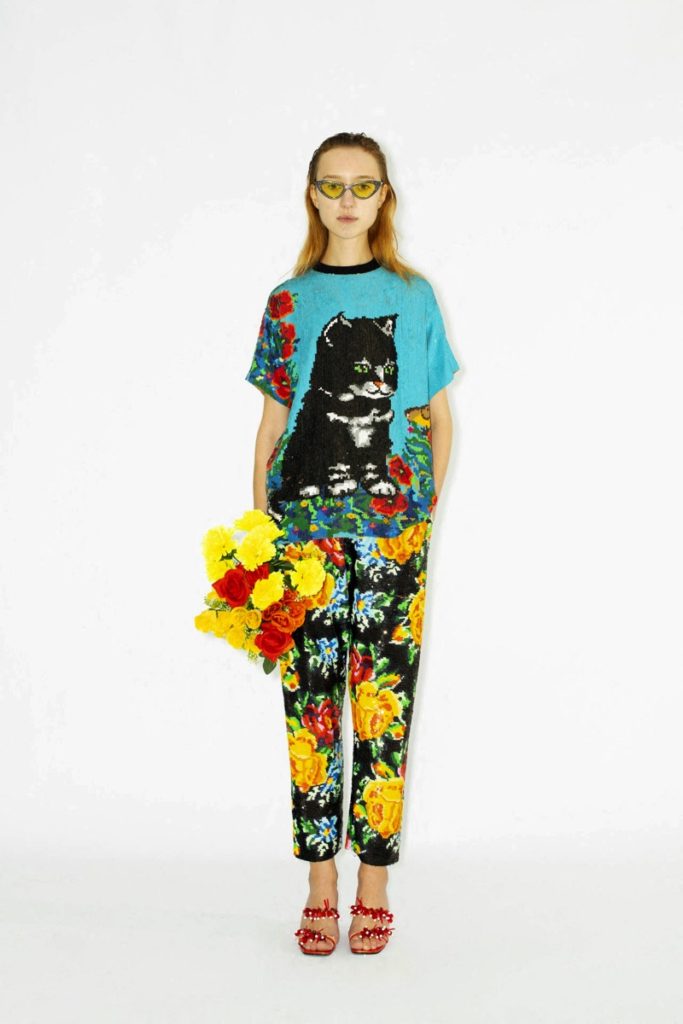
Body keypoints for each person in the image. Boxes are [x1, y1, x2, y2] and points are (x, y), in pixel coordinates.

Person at [244, 131, 461, 955]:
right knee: (309, 710)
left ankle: (373, 882)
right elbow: (272, 424)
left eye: (362, 185)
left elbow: (438, 417)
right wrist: (260, 536)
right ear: (311, 194)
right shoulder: (287, 301)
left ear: (383, 196)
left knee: (382, 707)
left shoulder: (413, 296)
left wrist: (419, 512)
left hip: (392, 538)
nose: (346, 199)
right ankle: (318, 882)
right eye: (331, 185)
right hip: (301, 538)